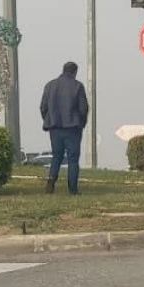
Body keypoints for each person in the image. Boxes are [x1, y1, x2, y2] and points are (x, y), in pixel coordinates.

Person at [39, 61, 90, 195]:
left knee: (57, 155)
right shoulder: (78, 86)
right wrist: (82, 123)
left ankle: (51, 181)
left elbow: (43, 107)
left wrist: (49, 120)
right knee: (73, 158)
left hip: (55, 127)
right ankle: (72, 188)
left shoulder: (50, 85)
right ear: (74, 72)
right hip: (73, 127)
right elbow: (83, 109)